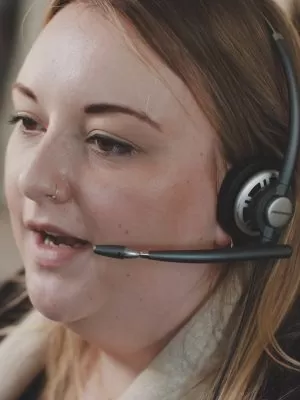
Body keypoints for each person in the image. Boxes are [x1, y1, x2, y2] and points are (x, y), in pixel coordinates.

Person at [1, 0, 300, 399]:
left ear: (251, 200)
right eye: (28, 121)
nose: (32, 179)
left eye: (107, 142)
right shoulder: (8, 307)